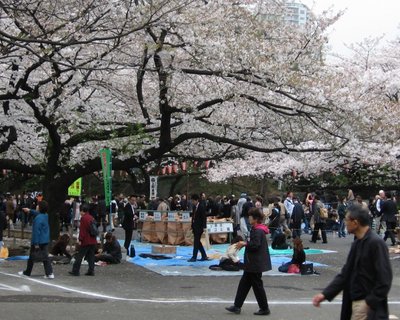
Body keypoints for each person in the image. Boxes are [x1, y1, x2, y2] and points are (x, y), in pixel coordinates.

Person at [312, 205, 392, 320]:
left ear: (355, 222)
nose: (345, 222)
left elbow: (385, 278)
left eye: (347, 220)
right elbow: (345, 273)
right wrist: (325, 294)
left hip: (367, 305)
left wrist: (369, 302)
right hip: (354, 302)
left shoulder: (376, 243)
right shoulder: (357, 243)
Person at [226, 208, 271, 316]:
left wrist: (244, 243)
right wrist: (245, 243)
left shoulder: (258, 231)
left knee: (257, 286)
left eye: (250, 217)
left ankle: (264, 308)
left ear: (255, 219)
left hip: (255, 263)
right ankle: (237, 306)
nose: (248, 218)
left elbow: (255, 245)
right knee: (244, 284)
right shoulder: (256, 229)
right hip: (252, 263)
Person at [18, 201, 54, 279]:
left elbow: (36, 232)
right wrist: (29, 210)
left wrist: (35, 243)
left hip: (38, 241)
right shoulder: (45, 215)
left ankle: (28, 272)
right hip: (45, 240)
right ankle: (49, 273)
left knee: (32, 257)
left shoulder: (38, 219)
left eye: (38, 206)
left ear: (40, 208)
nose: (37, 206)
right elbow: (38, 213)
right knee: (45, 257)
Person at [69, 203, 97, 276]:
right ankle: (91, 270)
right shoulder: (91, 217)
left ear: (82, 211)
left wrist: (80, 239)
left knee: (79, 256)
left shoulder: (84, 218)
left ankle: (75, 270)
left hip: (86, 240)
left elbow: (83, 231)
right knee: (91, 256)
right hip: (93, 239)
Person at [187, 193, 208, 262]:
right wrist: (192, 225)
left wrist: (204, 227)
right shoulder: (194, 207)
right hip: (195, 227)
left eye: (193, 201)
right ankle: (204, 255)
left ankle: (194, 257)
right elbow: (193, 217)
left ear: (196, 200)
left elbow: (204, 218)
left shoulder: (201, 207)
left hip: (199, 227)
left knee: (196, 243)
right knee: (197, 242)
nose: (192, 202)